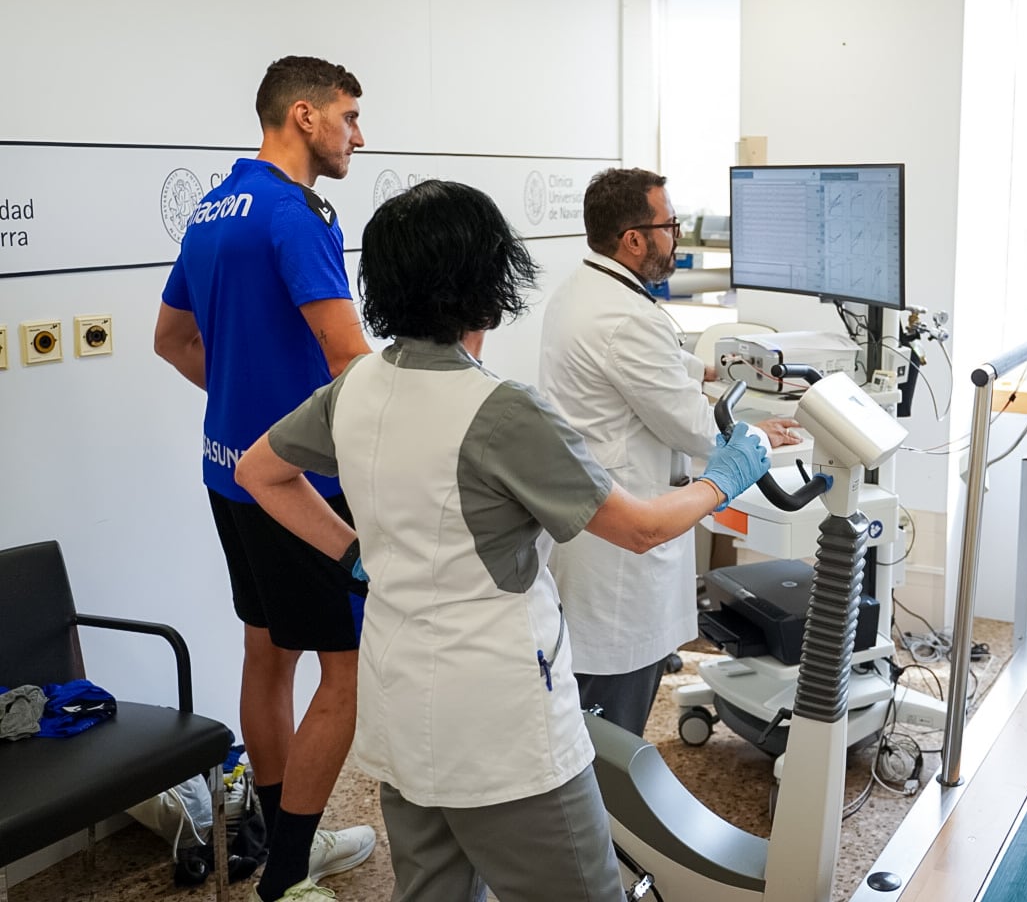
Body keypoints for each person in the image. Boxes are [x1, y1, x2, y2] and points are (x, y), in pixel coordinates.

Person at [234, 179, 772, 902]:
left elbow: (259, 472)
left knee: (434, 892)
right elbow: (639, 529)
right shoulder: (501, 411)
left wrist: (351, 554)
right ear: (488, 283)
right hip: (500, 722)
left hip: (401, 702)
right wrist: (723, 479)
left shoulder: (355, 386)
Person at [153, 55, 377, 901]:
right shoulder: (293, 213)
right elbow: (349, 357)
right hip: (297, 490)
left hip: (226, 473)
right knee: (347, 670)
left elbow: (173, 342)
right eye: (350, 116)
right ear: (305, 116)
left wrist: (251, 403)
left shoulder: (212, 210)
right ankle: (287, 874)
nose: (359, 134)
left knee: (267, 651)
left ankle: (286, 840)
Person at [538, 167, 802, 735]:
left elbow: (654, 365)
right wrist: (757, 436)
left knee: (597, 696)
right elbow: (698, 431)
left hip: (595, 519)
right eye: (670, 225)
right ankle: (603, 823)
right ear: (634, 238)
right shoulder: (625, 317)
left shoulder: (587, 289)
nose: (676, 237)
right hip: (620, 549)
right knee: (612, 708)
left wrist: (709, 368)